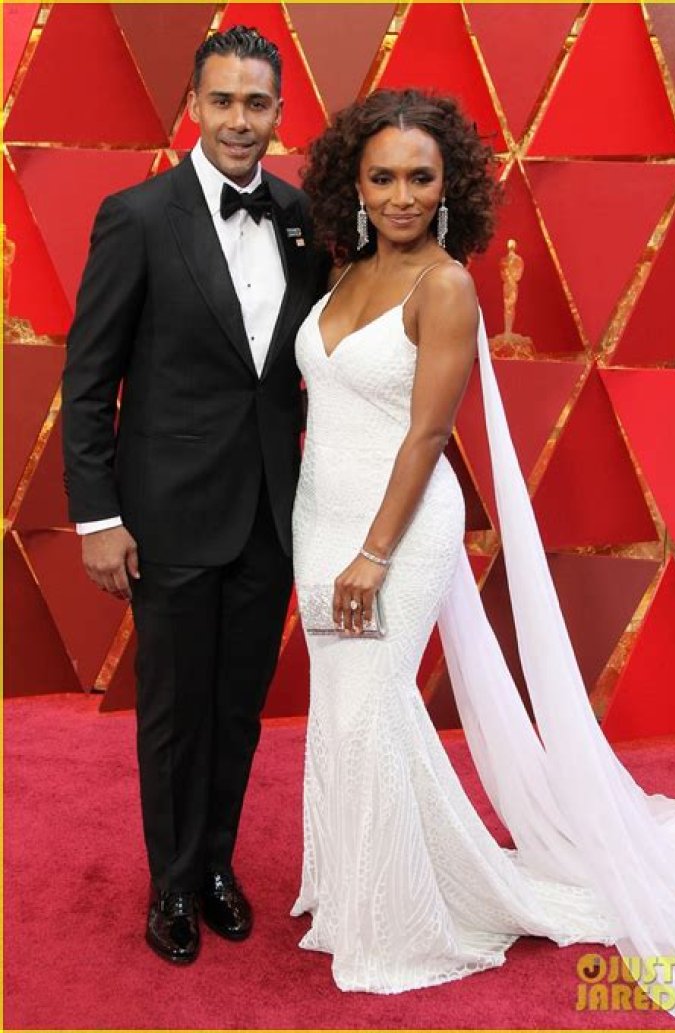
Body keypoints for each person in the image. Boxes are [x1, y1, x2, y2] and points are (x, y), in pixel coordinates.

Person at [290, 89, 675, 1029]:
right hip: (320, 519)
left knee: (370, 711)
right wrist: (335, 540)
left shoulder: (444, 285)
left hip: (394, 531)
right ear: (354, 185)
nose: (402, 196)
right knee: (343, 710)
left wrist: (373, 554)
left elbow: (426, 432)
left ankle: (402, 920)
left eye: (421, 178)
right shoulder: (349, 268)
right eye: (382, 178)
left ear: (450, 186)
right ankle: (355, 888)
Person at [62, 25, 327, 965]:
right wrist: (99, 517)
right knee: (175, 709)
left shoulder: (302, 219)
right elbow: (88, 380)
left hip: (270, 512)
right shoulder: (136, 216)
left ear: (280, 111)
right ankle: (171, 883)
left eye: (256, 102)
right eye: (222, 100)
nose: (239, 120)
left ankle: (216, 865)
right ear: (193, 106)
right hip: (166, 514)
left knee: (238, 706)